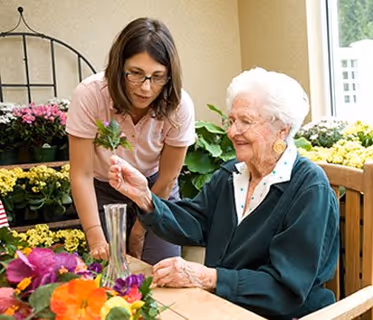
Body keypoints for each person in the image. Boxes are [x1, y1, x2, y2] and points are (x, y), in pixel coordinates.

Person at [108, 67, 339, 320]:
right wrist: (146, 198)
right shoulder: (232, 174)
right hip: (223, 308)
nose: (232, 132)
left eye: (246, 121)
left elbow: (285, 289)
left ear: (282, 130)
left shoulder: (309, 188)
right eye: (231, 120)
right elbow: (195, 222)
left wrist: (207, 277)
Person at [66, 17, 195, 265]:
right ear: (119, 66)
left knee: (163, 271)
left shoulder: (179, 105)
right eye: (136, 73)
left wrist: (140, 229)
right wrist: (95, 236)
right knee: (110, 271)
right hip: (104, 188)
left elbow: (168, 177)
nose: (146, 88)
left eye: (158, 76)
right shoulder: (91, 94)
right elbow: (81, 173)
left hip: (156, 190)